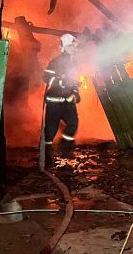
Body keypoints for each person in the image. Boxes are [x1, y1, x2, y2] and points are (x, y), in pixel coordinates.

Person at [42, 33, 82, 167]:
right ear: (65, 47)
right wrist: (59, 80)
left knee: (73, 123)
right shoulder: (56, 62)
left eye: (74, 45)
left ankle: (65, 147)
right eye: (71, 45)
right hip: (54, 101)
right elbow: (46, 77)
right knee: (51, 129)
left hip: (67, 100)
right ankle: (47, 154)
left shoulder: (74, 62)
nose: (74, 48)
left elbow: (75, 80)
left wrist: (75, 92)